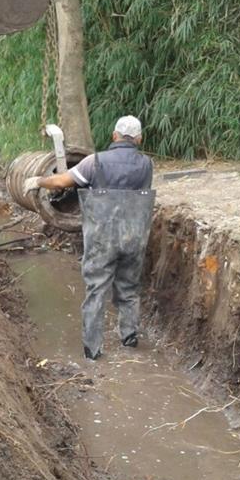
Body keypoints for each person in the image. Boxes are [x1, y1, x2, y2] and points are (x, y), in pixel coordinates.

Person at [23, 116, 155, 360]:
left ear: (114, 136)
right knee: (128, 287)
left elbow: (62, 181)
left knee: (96, 290)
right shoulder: (147, 164)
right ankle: (129, 337)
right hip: (134, 237)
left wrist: (38, 181)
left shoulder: (94, 162)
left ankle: (93, 350)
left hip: (102, 241)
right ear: (138, 139)